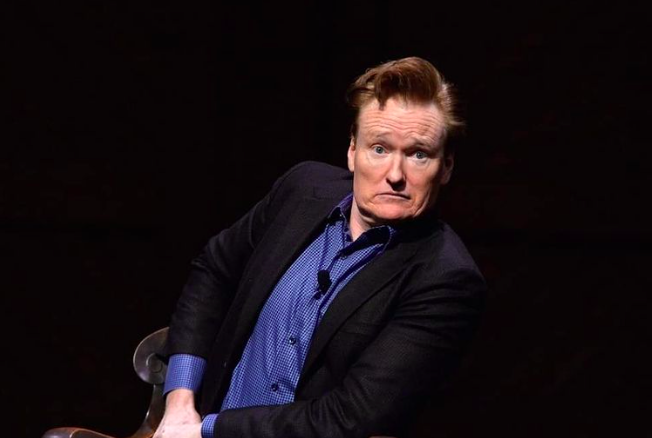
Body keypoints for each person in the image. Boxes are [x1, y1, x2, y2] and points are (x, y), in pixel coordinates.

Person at [153, 56, 486, 438]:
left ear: (446, 167)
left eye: (418, 155)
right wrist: (181, 402)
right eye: (379, 149)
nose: (395, 175)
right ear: (352, 151)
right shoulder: (302, 190)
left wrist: (207, 430)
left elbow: (351, 416)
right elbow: (215, 270)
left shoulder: (446, 279)